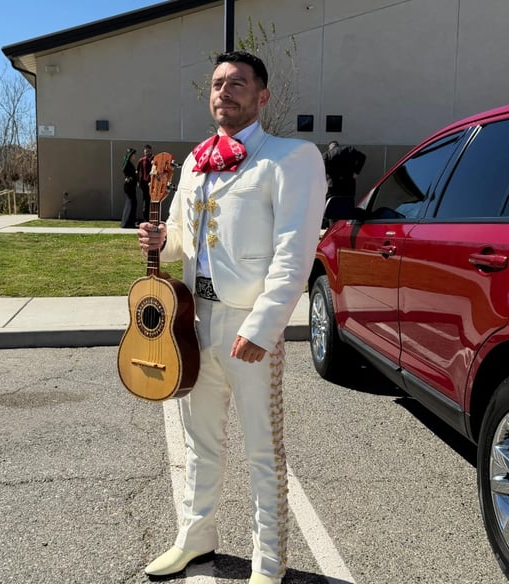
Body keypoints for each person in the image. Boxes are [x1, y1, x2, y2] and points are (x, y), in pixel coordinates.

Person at [137, 51, 326, 584]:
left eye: (238, 83)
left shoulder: (291, 159)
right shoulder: (196, 160)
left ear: (262, 96)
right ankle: (195, 538)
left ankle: (268, 563)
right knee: (199, 444)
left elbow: (294, 255)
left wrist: (263, 327)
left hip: (248, 325)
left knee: (263, 450)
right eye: (218, 83)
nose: (225, 90)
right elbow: (181, 239)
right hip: (193, 324)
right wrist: (161, 239)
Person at [120, 147, 138, 228]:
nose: (135, 156)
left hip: (131, 186)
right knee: (132, 203)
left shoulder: (130, 163)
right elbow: (124, 170)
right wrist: (129, 177)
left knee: (131, 203)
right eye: (134, 155)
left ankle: (128, 222)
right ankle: (128, 223)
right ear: (131, 155)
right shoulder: (128, 164)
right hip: (129, 186)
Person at [136, 144, 154, 222]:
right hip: (144, 184)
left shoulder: (155, 159)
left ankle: (153, 218)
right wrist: (138, 181)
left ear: (151, 151)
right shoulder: (141, 160)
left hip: (153, 184)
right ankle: (146, 219)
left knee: (153, 201)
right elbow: (137, 171)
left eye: (148, 151)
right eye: (145, 152)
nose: (147, 153)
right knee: (146, 201)